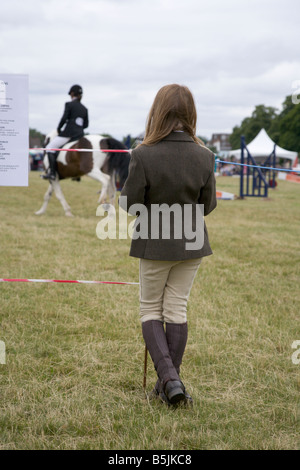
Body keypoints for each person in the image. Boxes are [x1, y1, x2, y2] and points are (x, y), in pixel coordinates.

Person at [119, 84, 217, 407]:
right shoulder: (205, 156)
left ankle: (170, 381)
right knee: (176, 309)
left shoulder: (143, 153)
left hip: (154, 242)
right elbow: (208, 205)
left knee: (150, 309)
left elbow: (130, 204)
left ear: (157, 112)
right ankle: (169, 385)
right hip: (192, 242)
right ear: (190, 115)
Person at [42, 84, 89, 180]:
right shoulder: (84, 109)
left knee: (49, 148)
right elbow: (86, 125)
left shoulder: (69, 105)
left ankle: (52, 173)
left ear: (72, 94)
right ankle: (76, 176)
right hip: (80, 135)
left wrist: (59, 129)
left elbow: (64, 119)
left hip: (69, 133)